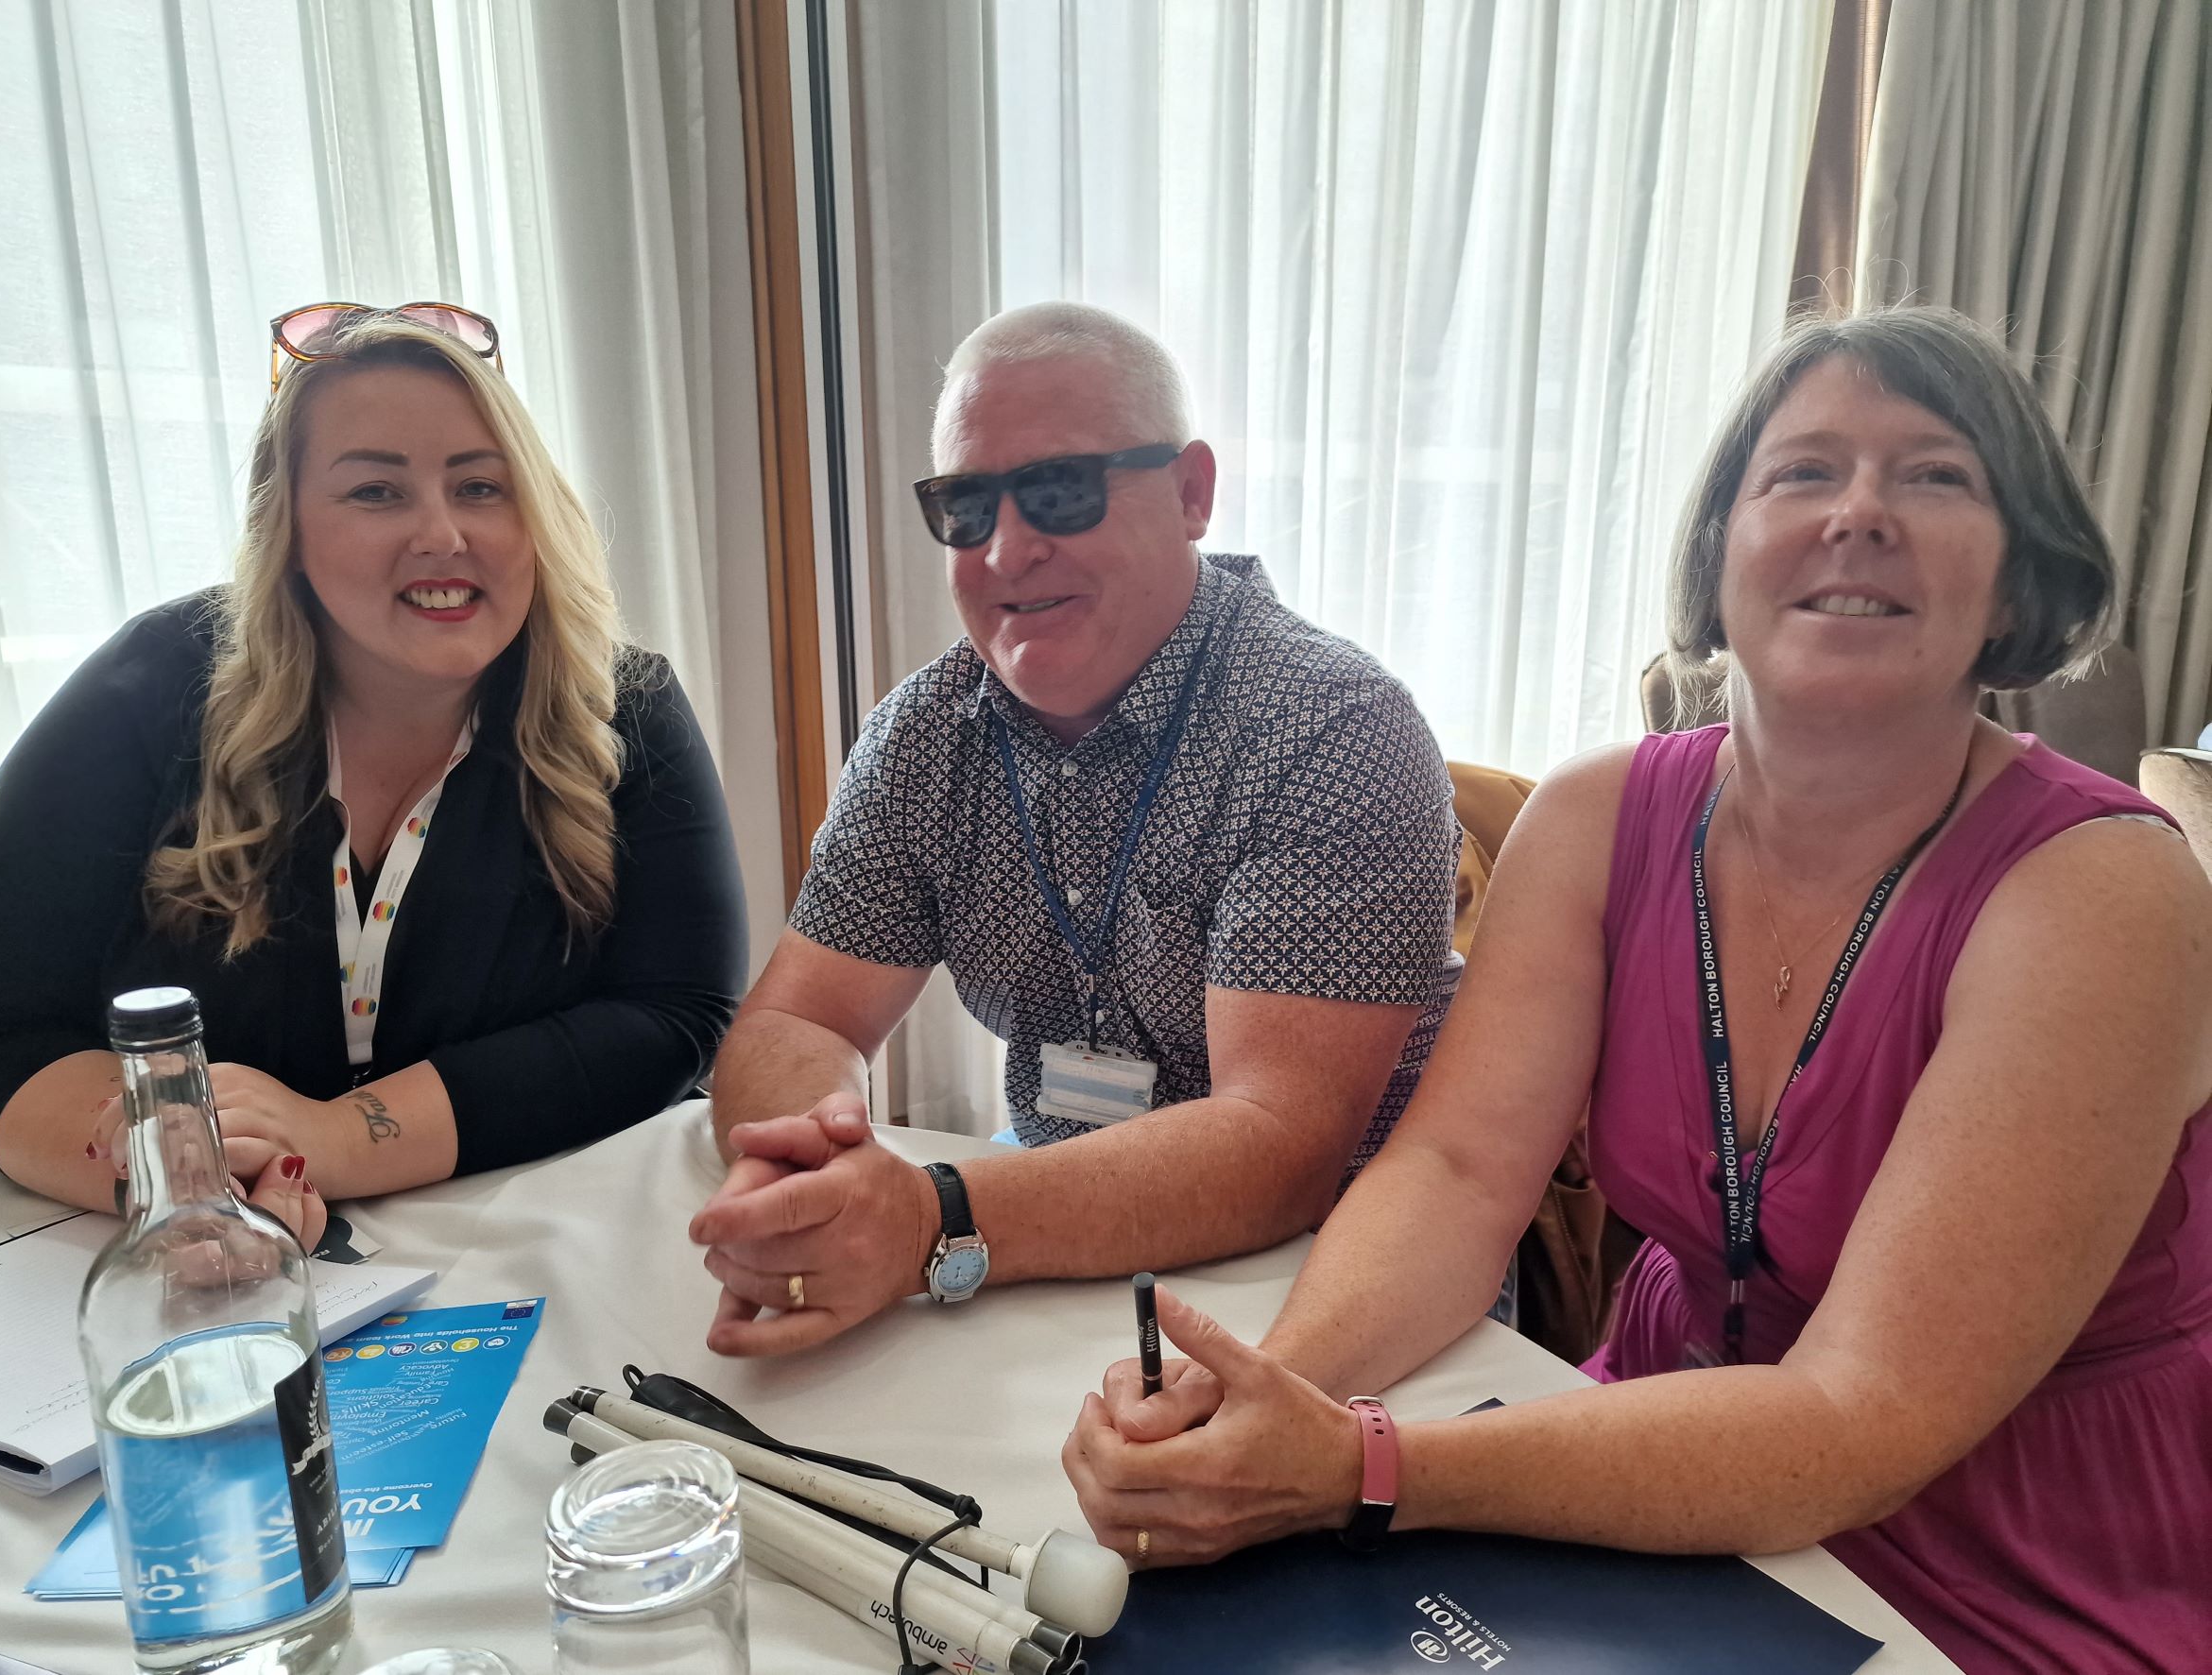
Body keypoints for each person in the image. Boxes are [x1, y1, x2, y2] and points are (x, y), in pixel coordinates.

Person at [1063, 307, 2212, 1674]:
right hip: (1652, 1451)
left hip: (2010, 1553)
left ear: (2020, 582)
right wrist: (1276, 1392)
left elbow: (1864, 1415)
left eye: (1936, 475)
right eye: (1801, 473)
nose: (1859, 513)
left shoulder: (2107, 895)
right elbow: (1458, 1171)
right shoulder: (1600, 811)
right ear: (1715, 555)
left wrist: (1361, 1464)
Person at [690, 302, 1462, 1355]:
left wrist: (927, 1217)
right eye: (967, 508)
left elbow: (1279, 1147)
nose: (1008, 550)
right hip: (1036, 1219)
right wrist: (811, 1172)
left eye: (1061, 491)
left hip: (1340, 1255)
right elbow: (795, 1024)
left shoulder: (1329, 726)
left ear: (1192, 493)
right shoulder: (925, 732)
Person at [0, 304, 747, 1246]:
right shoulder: (150, 690)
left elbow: (676, 1016)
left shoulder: (622, 705)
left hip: (547, 1248)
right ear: (288, 529)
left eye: (481, 487)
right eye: (376, 493)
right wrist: (180, 1170)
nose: (443, 534)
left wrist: (333, 1138)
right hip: (199, 1264)